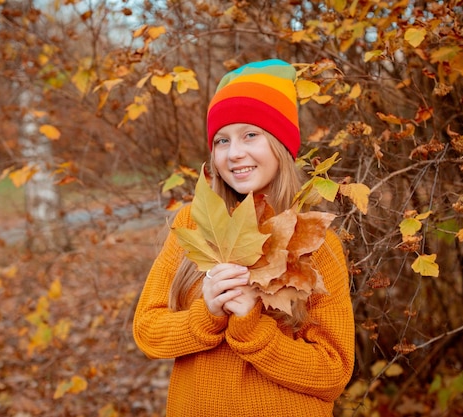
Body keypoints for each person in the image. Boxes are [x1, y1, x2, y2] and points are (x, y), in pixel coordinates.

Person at [133, 59, 355, 417]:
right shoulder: (193, 223)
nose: (234, 153)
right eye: (222, 140)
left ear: (281, 145)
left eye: (250, 134)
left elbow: (333, 372)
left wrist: (252, 325)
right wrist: (205, 315)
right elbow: (147, 331)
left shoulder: (314, 240)